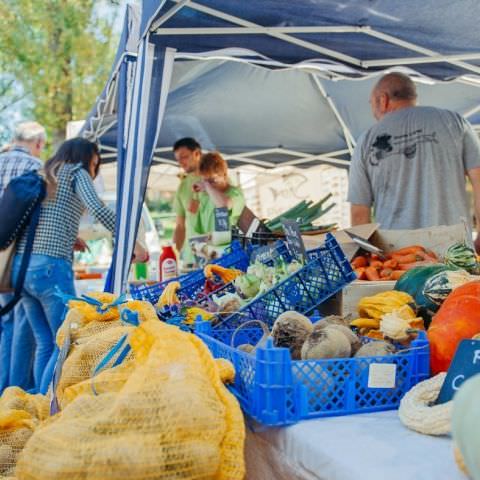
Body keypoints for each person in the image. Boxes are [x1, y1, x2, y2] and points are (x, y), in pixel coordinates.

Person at [10, 138, 117, 394]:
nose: (94, 169)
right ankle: (49, 404)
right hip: (49, 270)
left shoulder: (44, 173)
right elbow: (97, 209)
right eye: (95, 163)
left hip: (22, 270)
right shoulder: (76, 171)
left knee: (46, 342)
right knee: (64, 340)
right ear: (86, 157)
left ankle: (35, 403)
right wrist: (131, 238)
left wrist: (72, 237)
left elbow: (45, 220)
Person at [348, 72, 480, 251]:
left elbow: (359, 215)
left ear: (383, 100)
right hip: (454, 250)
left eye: (371, 103)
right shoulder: (455, 122)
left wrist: (364, 257)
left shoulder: (366, 140)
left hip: (397, 257)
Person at [0, 121, 46, 392]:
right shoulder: (33, 169)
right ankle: (15, 392)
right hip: (19, 256)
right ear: (38, 144)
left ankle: (3, 391)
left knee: (5, 322)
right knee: (22, 323)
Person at [192, 151, 245, 236]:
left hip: (230, 248)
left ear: (224, 175)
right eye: (205, 180)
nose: (208, 185)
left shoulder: (236, 194)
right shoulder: (206, 195)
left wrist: (206, 185)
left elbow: (223, 206)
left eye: (212, 180)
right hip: (211, 247)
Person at [172, 138, 204, 265]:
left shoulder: (217, 178)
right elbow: (180, 226)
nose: (181, 163)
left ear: (196, 154)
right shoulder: (183, 186)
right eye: (178, 160)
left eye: (184, 157)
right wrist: (173, 254)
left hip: (219, 254)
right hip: (192, 260)